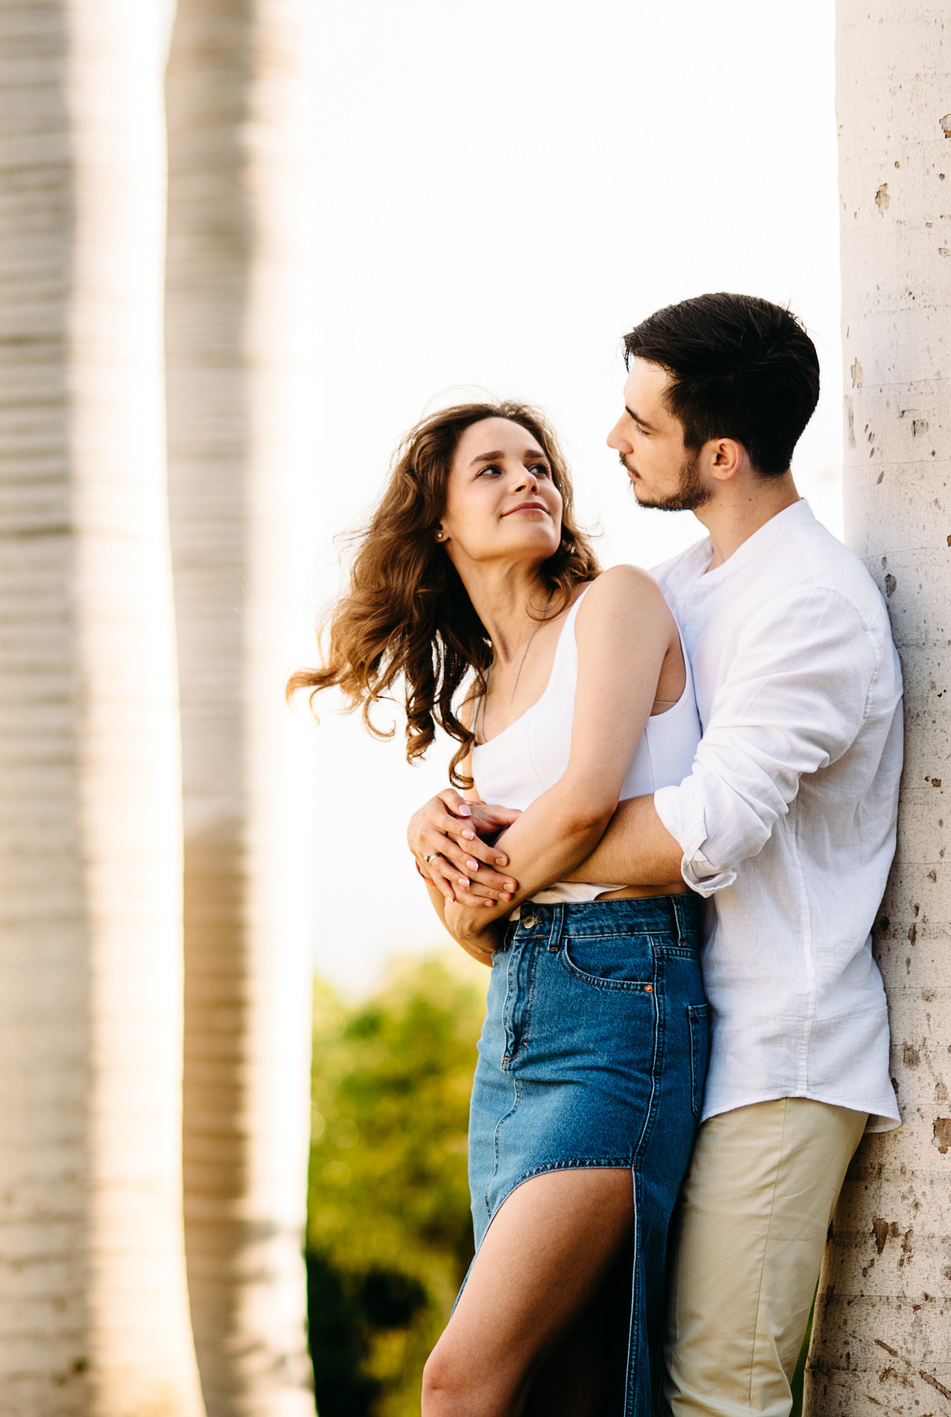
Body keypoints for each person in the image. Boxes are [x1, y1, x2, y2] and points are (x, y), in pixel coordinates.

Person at [414, 295, 903, 1417]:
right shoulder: (684, 584)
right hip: (661, 1024)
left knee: (716, 1391)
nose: (610, 440)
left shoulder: (811, 603)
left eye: (641, 422)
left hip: (775, 1053)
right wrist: (439, 832)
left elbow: (698, 830)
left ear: (719, 455)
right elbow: (556, 772)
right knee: (597, 1383)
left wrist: (506, 871)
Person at [294, 400, 712, 1417]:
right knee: (552, 1385)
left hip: (624, 1015)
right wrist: (431, 850)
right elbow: (492, 927)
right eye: (490, 468)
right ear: (438, 520)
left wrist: (471, 878)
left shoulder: (614, 604)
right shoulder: (483, 696)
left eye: (538, 465)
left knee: (460, 1379)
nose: (528, 479)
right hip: (521, 1021)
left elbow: (581, 806)